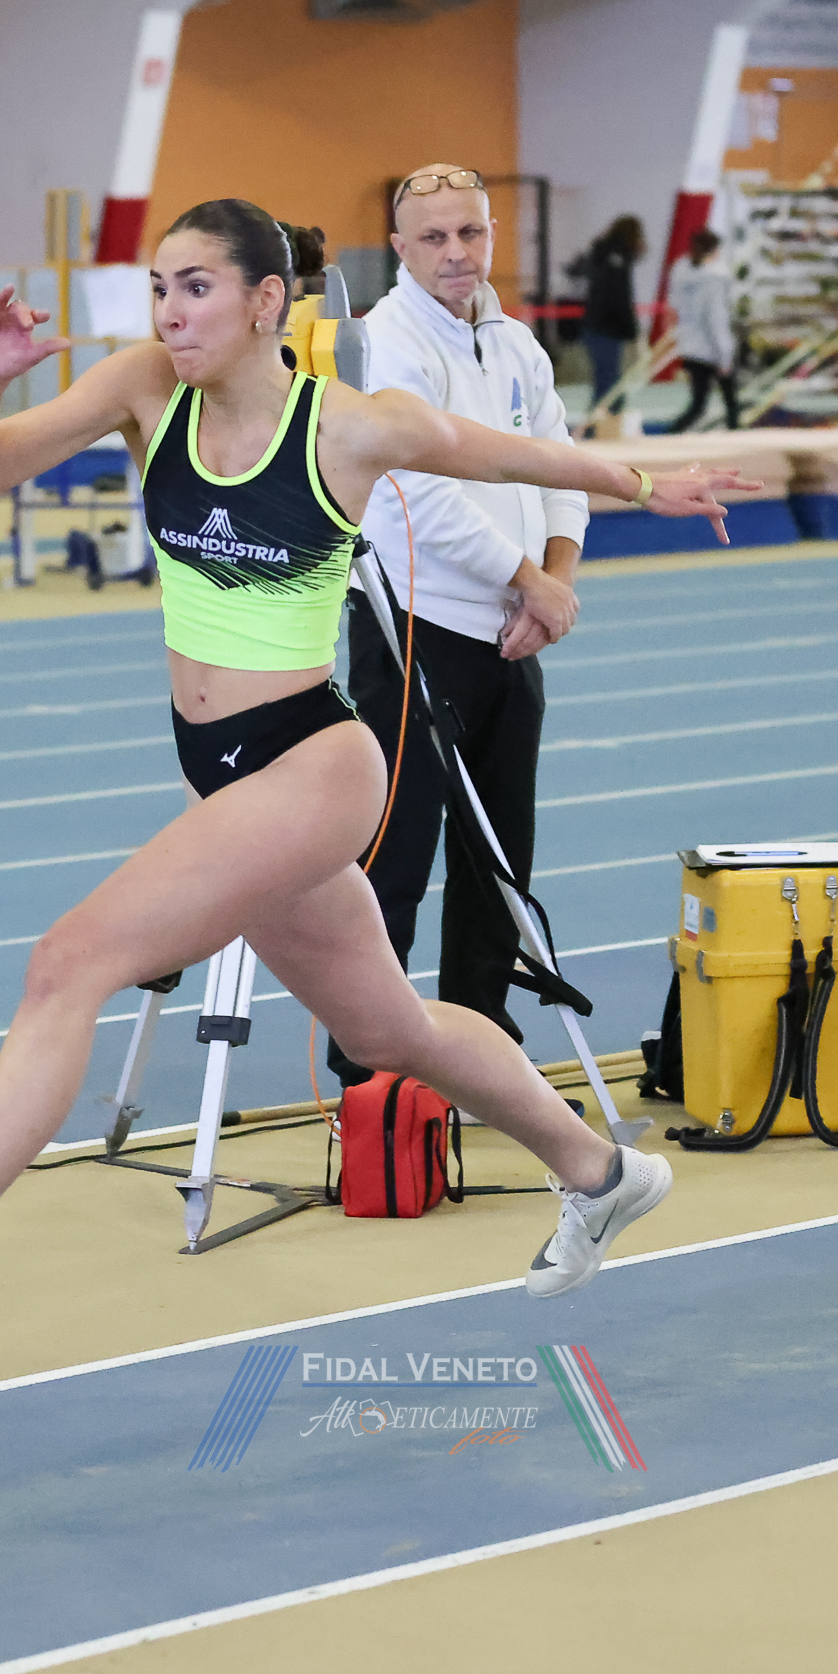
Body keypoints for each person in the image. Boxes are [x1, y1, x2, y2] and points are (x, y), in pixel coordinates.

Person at [0, 198, 757, 1340]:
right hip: (222, 770)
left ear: (264, 302)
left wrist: (647, 484)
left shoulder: (346, 427)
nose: (170, 311)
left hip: (311, 765)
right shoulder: (145, 387)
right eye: (160, 287)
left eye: (196, 287)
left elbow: (510, 451)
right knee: (392, 1031)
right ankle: (601, 1173)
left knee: (69, 961)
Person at [327, 165, 585, 1088]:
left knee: (499, 859)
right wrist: (529, 581)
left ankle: (480, 1048)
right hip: (415, 629)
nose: (456, 252)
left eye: (470, 232)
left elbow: (558, 465)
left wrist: (554, 582)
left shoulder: (516, 343)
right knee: (395, 853)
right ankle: (371, 1067)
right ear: (399, 248)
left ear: (491, 234)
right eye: (434, 237)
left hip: (513, 632)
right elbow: (417, 497)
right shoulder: (384, 346)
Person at [664, 226, 738, 432]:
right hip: (712, 348)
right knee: (729, 405)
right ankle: (669, 435)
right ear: (715, 250)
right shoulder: (715, 278)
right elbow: (715, 318)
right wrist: (724, 355)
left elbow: (674, 307)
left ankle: (670, 434)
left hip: (689, 345)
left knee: (698, 405)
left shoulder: (681, 271)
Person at [575, 215, 644, 414]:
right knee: (608, 381)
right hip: (606, 327)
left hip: (596, 325)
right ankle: (600, 422)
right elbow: (620, 296)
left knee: (607, 378)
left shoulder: (603, 254)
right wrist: (631, 329)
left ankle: (602, 420)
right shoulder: (616, 259)